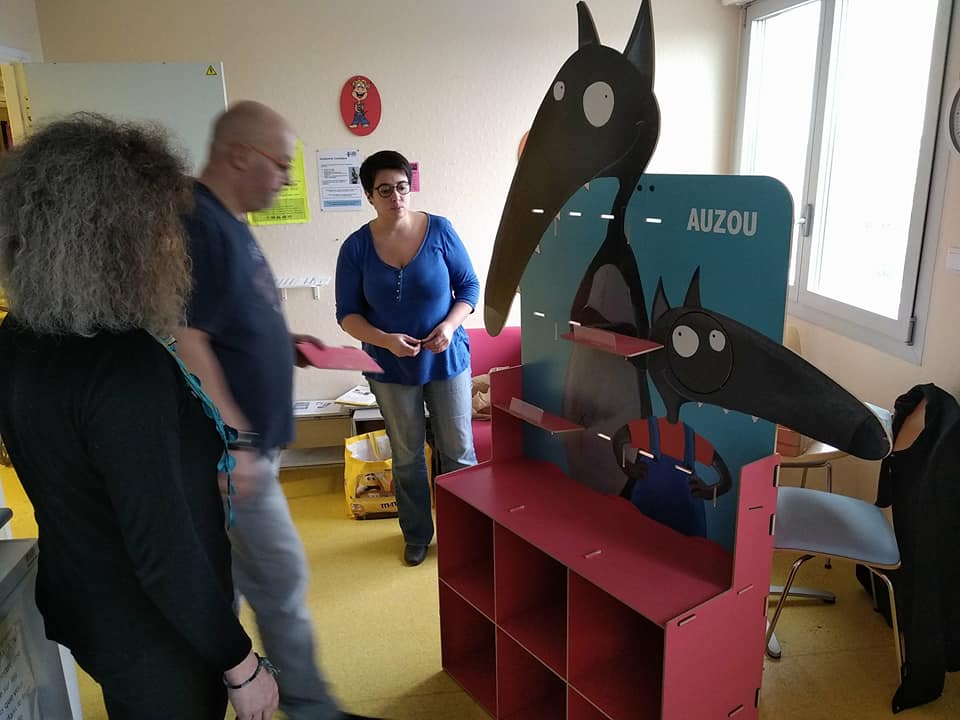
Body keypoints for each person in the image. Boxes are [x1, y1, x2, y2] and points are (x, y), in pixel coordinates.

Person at [0, 114, 278, 720]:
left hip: (88, 603)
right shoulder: (126, 365)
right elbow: (164, 551)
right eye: (163, 226)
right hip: (160, 634)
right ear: (116, 240)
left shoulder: (18, 336)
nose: (174, 243)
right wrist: (241, 665)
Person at [175, 100, 375, 720]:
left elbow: (226, 319)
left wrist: (283, 344)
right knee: (280, 578)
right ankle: (311, 708)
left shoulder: (229, 220)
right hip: (234, 453)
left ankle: (229, 694)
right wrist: (236, 441)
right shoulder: (199, 224)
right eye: (281, 164)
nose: (288, 179)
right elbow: (185, 336)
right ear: (240, 155)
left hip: (247, 448)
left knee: (233, 581)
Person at [336, 150, 480, 567]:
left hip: (446, 359)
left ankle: (465, 534)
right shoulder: (356, 247)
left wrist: (449, 326)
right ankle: (417, 535)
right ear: (369, 195)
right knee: (407, 455)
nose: (396, 198)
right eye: (385, 190)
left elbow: (469, 287)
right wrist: (385, 340)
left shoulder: (440, 230)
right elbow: (347, 315)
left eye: (402, 187)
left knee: (458, 450)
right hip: (391, 366)